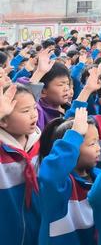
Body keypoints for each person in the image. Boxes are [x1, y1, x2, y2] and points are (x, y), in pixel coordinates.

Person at [38, 108, 100, 244]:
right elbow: (50, 176)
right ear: (72, 147)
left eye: (98, 142)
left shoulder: (100, 178)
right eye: (92, 143)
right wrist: (75, 134)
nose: (98, 148)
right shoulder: (60, 187)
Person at [0, 83, 41, 244]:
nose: (33, 115)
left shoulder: (40, 143)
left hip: (38, 231)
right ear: (3, 121)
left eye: (34, 108)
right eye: (25, 111)